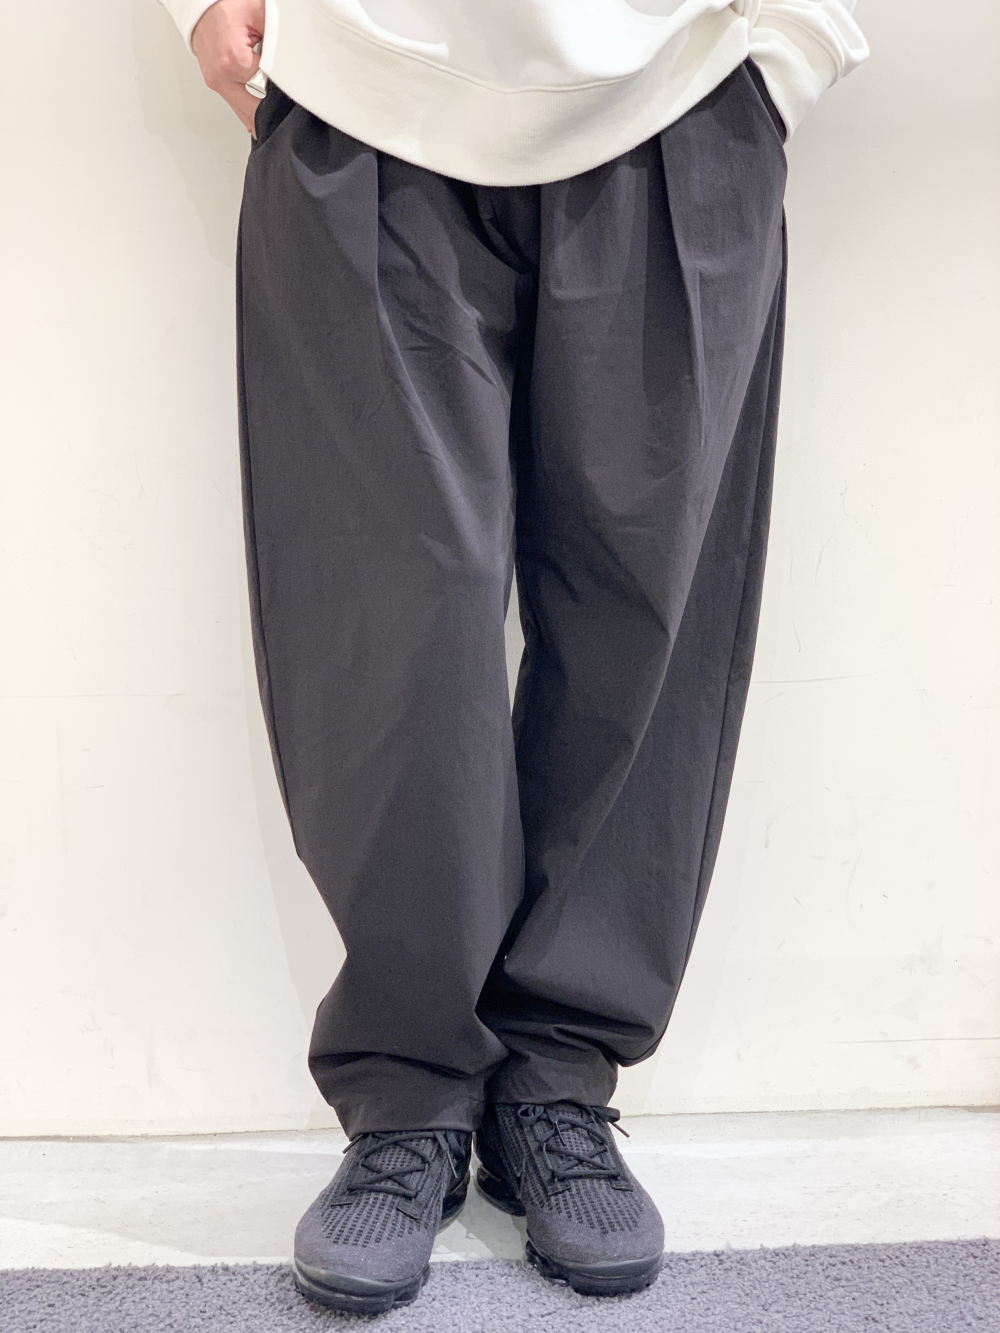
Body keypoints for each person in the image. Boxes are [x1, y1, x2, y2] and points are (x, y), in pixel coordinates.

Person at [163, 0, 867, 1313]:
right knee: (387, 633)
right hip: (365, 86)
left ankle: (558, 1078)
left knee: (644, 621)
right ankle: (410, 1089)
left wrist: (793, 42)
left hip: (683, 81)